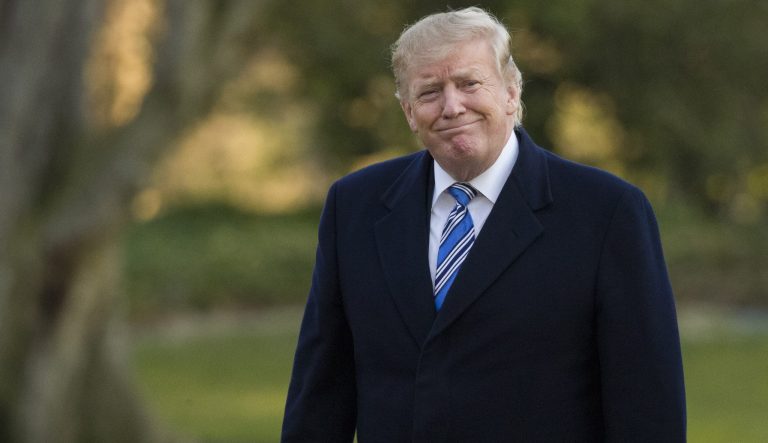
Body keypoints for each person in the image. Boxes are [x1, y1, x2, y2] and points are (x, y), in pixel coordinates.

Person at [282, 7, 686, 442]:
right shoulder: (355, 206)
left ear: (511, 92)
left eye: (469, 83)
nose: (452, 106)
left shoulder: (607, 212)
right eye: (430, 91)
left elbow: (648, 404)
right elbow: (320, 391)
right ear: (409, 112)